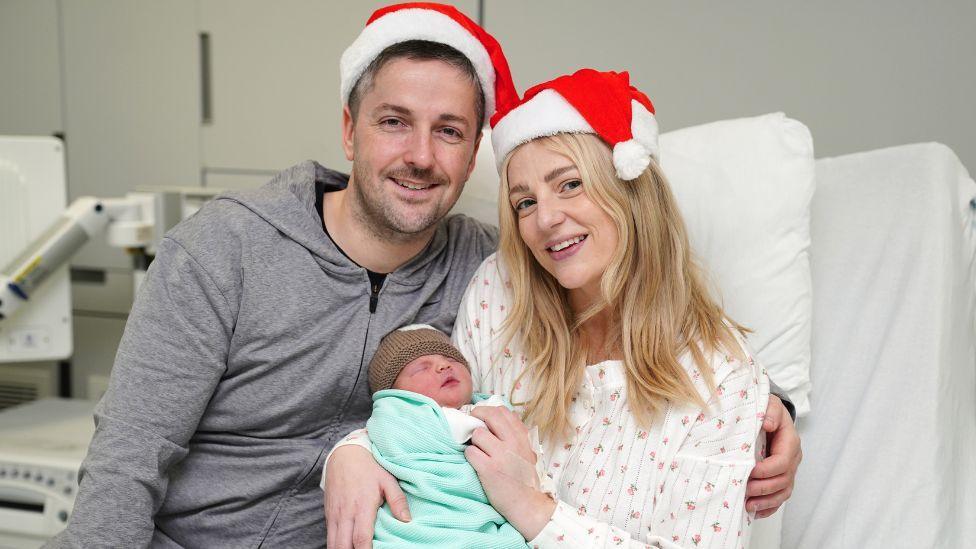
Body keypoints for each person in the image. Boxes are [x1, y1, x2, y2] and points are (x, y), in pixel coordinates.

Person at [49, 4, 518, 548]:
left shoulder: (487, 270)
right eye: (394, 122)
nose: (420, 155)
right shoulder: (225, 246)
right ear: (350, 131)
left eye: (449, 131)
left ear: (472, 153)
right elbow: (127, 460)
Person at [326, 69, 778, 548]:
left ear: (628, 188)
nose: (545, 219)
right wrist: (352, 452)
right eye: (524, 202)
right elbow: (434, 417)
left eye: (569, 185)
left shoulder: (722, 379)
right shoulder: (500, 294)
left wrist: (529, 506)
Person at [356, 324, 531, 548]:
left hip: (477, 525)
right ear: (395, 393)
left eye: (453, 359)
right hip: (424, 530)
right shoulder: (403, 417)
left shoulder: (480, 405)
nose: (443, 365)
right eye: (421, 368)